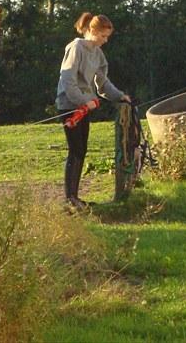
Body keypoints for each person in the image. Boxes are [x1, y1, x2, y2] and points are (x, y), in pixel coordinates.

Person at [55, 13, 130, 210]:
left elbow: (102, 83)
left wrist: (120, 96)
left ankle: (74, 197)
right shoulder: (76, 48)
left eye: (107, 37)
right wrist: (83, 102)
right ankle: (70, 198)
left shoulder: (97, 53)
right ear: (92, 31)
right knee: (75, 150)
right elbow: (68, 81)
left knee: (82, 151)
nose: (105, 41)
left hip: (84, 105)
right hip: (69, 104)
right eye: (103, 36)